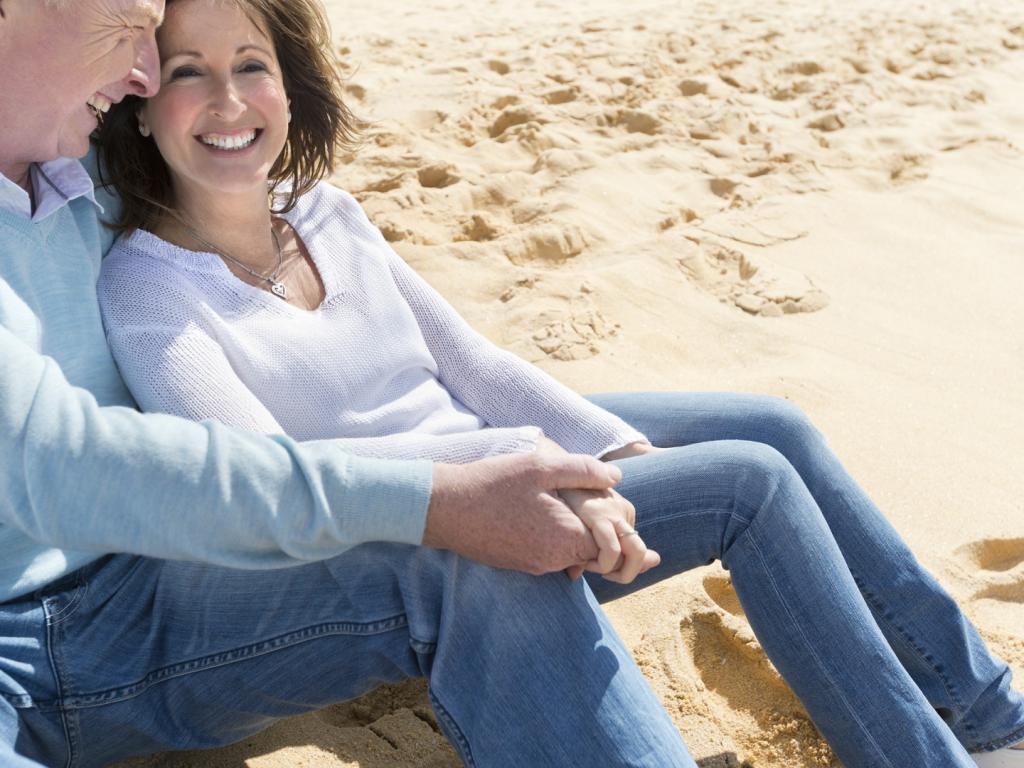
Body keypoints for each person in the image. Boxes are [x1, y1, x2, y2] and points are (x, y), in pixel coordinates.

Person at [86, 0, 1024, 766]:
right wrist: (522, 463)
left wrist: (611, 453)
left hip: (498, 455)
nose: (227, 98)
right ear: (138, 102)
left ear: (288, 86)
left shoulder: (327, 214)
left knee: (771, 425)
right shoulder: (148, 287)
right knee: (749, 483)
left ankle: (984, 716)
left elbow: (475, 366)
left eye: (251, 63)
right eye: (185, 72)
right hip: (424, 529)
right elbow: (279, 481)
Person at [1, 1, 700, 766]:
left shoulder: (71, 147)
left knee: (475, 538)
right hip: (33, 643)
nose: (140, 73)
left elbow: (218, 116)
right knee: (454, 527)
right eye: (126, 22)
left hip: (160, 575)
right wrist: (449, 490)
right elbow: (76, 466)